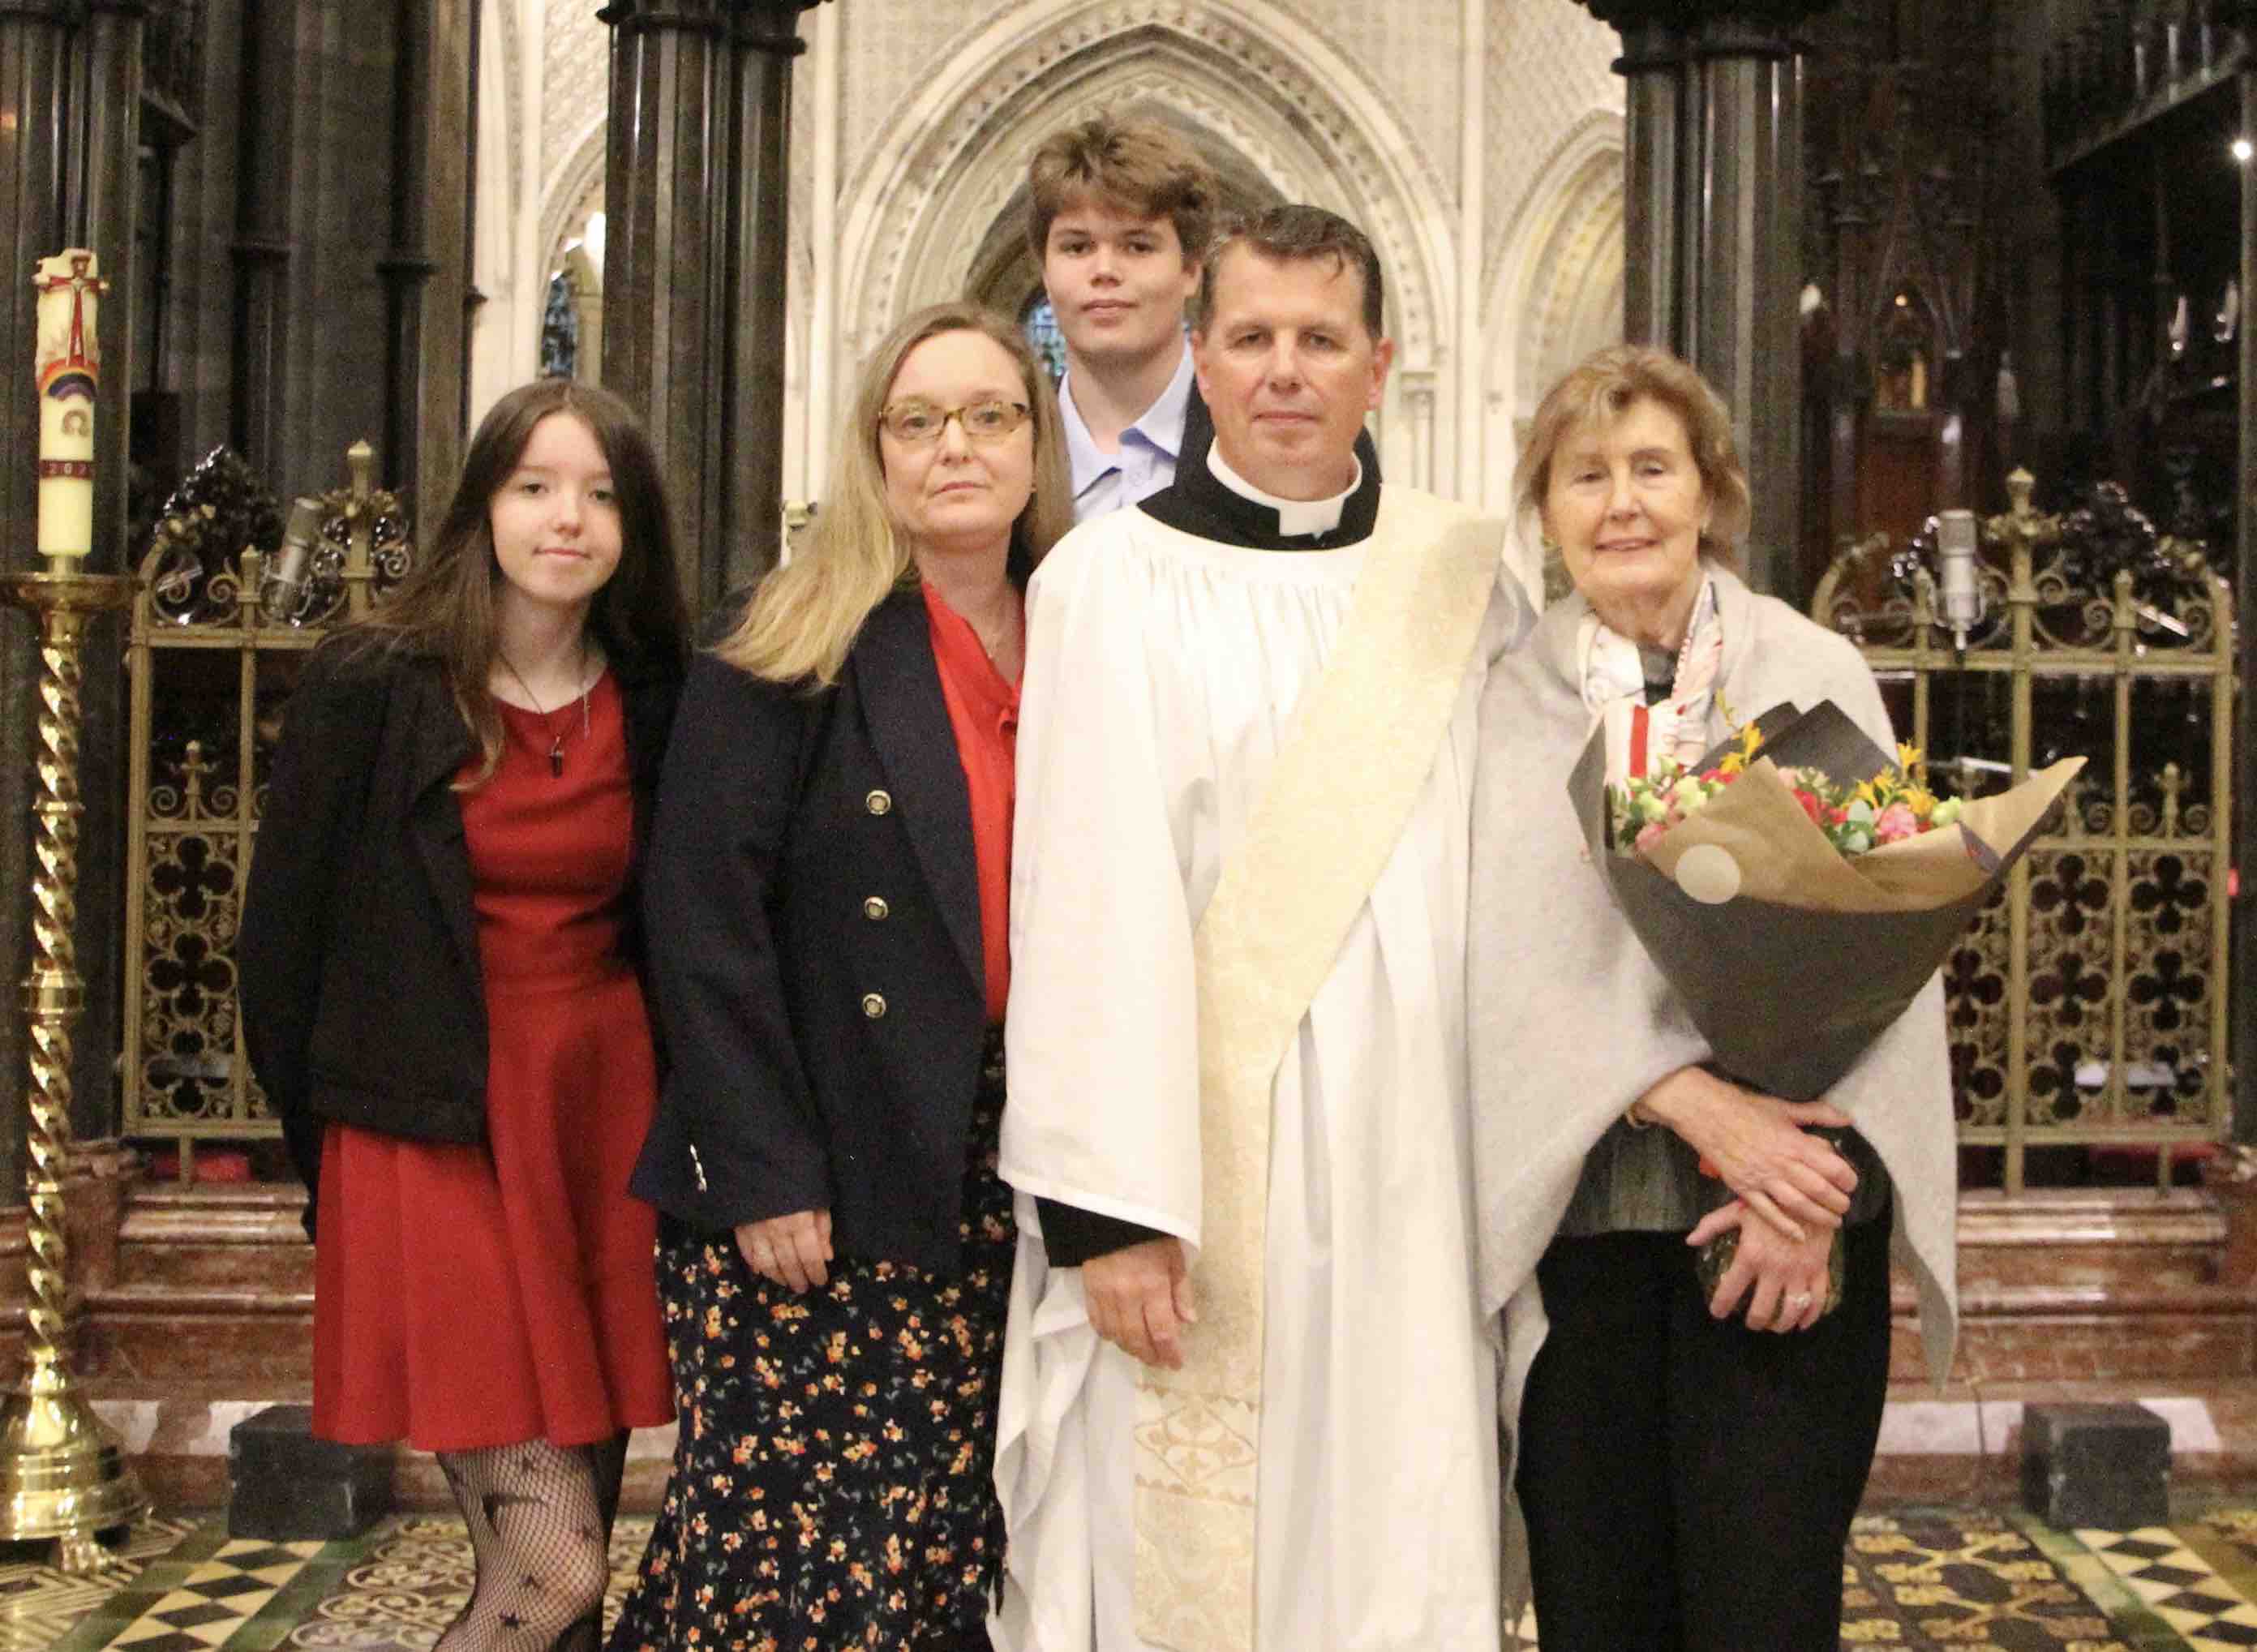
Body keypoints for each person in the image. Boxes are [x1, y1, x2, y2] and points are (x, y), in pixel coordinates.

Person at [995, 204, 1525, 1652]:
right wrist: (1107, 1210)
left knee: (1399, 1518)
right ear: (1199, 360)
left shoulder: (1465, 586)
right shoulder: (1104, 583)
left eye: (1318, 339)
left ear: (1379, 366)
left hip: (1426, 1157)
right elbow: (1082, 904)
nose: (1284, 370)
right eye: (1250, 339)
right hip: (1198, 1173)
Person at [1469, 344, 1959, 1651]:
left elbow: (1885, 954)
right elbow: (1483, 973)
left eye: (1650, 468)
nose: (1620, 502)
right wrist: (1680, 1097)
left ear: (1708, 493)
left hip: (1779, 1228)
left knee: (1762, 1609)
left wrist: (1805, 1192)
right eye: (1585, 475)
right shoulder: (1501, 707)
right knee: (1600, 1610)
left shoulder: (1812, 673)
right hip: (1578, 1238)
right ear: (1545, 508)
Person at [606, 300, 1074, 1651]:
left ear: (1034, 447)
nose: (955, 448)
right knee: (786, 1567)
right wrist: (765, 1172)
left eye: (989, 416)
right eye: (917, 421)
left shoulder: (1083, 635)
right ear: (875, 456)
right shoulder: (797, 631)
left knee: (940, 1545)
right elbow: (700, 919)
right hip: (816, 1172)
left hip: (990, 1158)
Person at [239, 378, 691, 1652]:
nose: (568, 519)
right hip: (427, 1127)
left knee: (579, 1569)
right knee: (550, 1569)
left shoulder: (658, 693)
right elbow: (280, 946)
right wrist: (336, 1154)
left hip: (599, 1129)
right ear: (482, 505)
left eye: (600, 495)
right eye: (536, 487)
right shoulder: (375, 684)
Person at [1028, 112, 1377, 522]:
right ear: (1046, 274)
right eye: (1077, 247)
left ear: (1191, 269)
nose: (1104, 270)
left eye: (1138, 246)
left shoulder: (1290, 429)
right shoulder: (1009, 445)